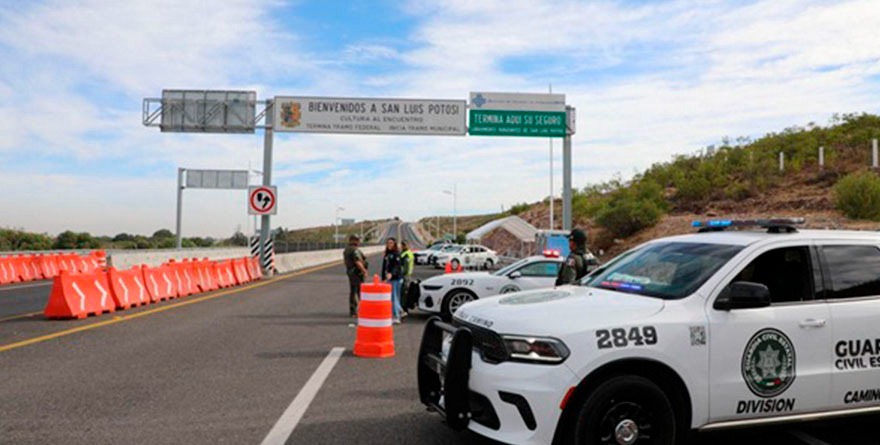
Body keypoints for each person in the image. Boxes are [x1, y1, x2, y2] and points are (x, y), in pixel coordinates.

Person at [343, 235, 369, 317]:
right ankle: (356, 311)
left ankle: (354, 310)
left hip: (351, 272)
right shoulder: (354, 250)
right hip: (356, 273)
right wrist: (364, 271)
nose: (359, 242)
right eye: (357, 240)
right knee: (357, 292)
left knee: (353, 291)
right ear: (353, 241)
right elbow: (358, 262)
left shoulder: (346, 249)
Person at [381, 237, 404, 323]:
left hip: (396, 278)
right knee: (393, 297)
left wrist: (392, 273)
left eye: (391, 243)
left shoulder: (396, 254)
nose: (389, 244)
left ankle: (396, 316)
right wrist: (383, 277)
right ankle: (400, 311)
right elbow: (384, 267)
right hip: (389, 279)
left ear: (394, 244)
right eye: (388, 243)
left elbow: (397, 266)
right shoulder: (387, 254)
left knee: (394, 297)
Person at [399, 241, 415, 312]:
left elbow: (405, 267)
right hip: (408, 275)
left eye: (404, 245)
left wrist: (401, 274)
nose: (402, 247)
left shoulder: (406, 254)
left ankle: (404, 307)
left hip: (405, 276)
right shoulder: (408, 253)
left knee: (404, 292)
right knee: (404, 292)